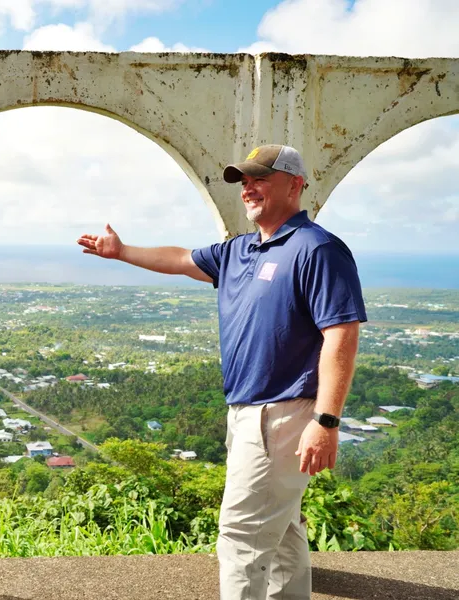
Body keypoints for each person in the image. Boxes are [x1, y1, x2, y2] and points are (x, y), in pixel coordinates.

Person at [77, 144, 365, 600]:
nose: (248, 188)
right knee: (283, 527)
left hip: (283, 412)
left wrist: (326, 421)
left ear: (295, 184)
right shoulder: (241, 249)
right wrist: (121, 251)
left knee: (240, 538)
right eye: (244, 181)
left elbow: (341, 335)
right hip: (250, 411)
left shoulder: (318, 249)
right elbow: (181, 260)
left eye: (260, 179)